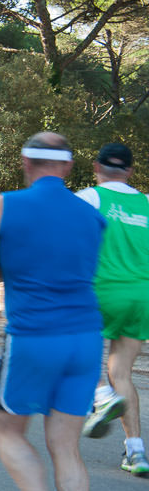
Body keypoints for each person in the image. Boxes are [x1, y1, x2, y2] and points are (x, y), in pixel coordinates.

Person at [0, 132, 106, 491]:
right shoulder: (91, 215)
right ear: (67, 166)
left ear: (25, 162)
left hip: (33, 336)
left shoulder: (5, 204)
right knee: (66, 448)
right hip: (86, 340)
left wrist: (12, 267)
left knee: (9, 432)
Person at [77, 143, 149, 476]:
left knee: (74, 349)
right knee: (122, 371)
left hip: (101, 291)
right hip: (141, 295)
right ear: (130, 172)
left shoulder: (89, 198)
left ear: (96, 167)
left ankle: (101, 395)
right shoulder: (146, 203)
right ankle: (136, 452)